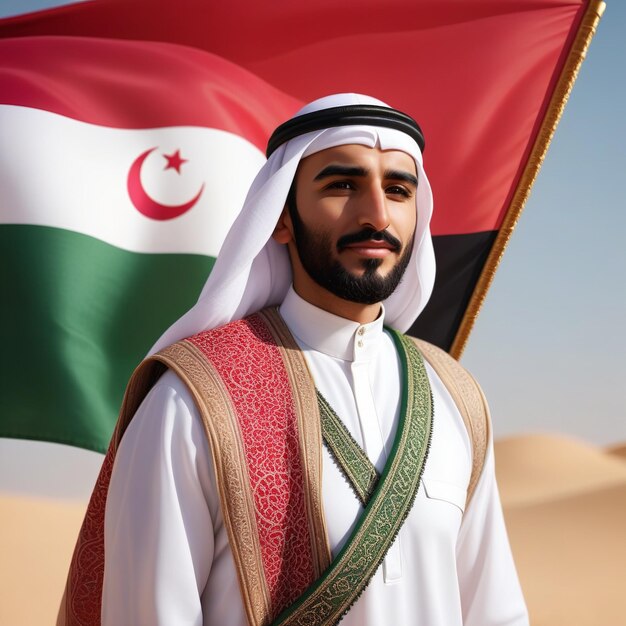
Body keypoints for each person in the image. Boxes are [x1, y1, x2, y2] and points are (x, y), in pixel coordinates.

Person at [61, 93, 529, 626]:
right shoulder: (195, 399)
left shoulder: (454, 395)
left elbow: (495, 611)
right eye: (342, 185)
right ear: (281, 217)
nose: (377, 214)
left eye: (398, 189)